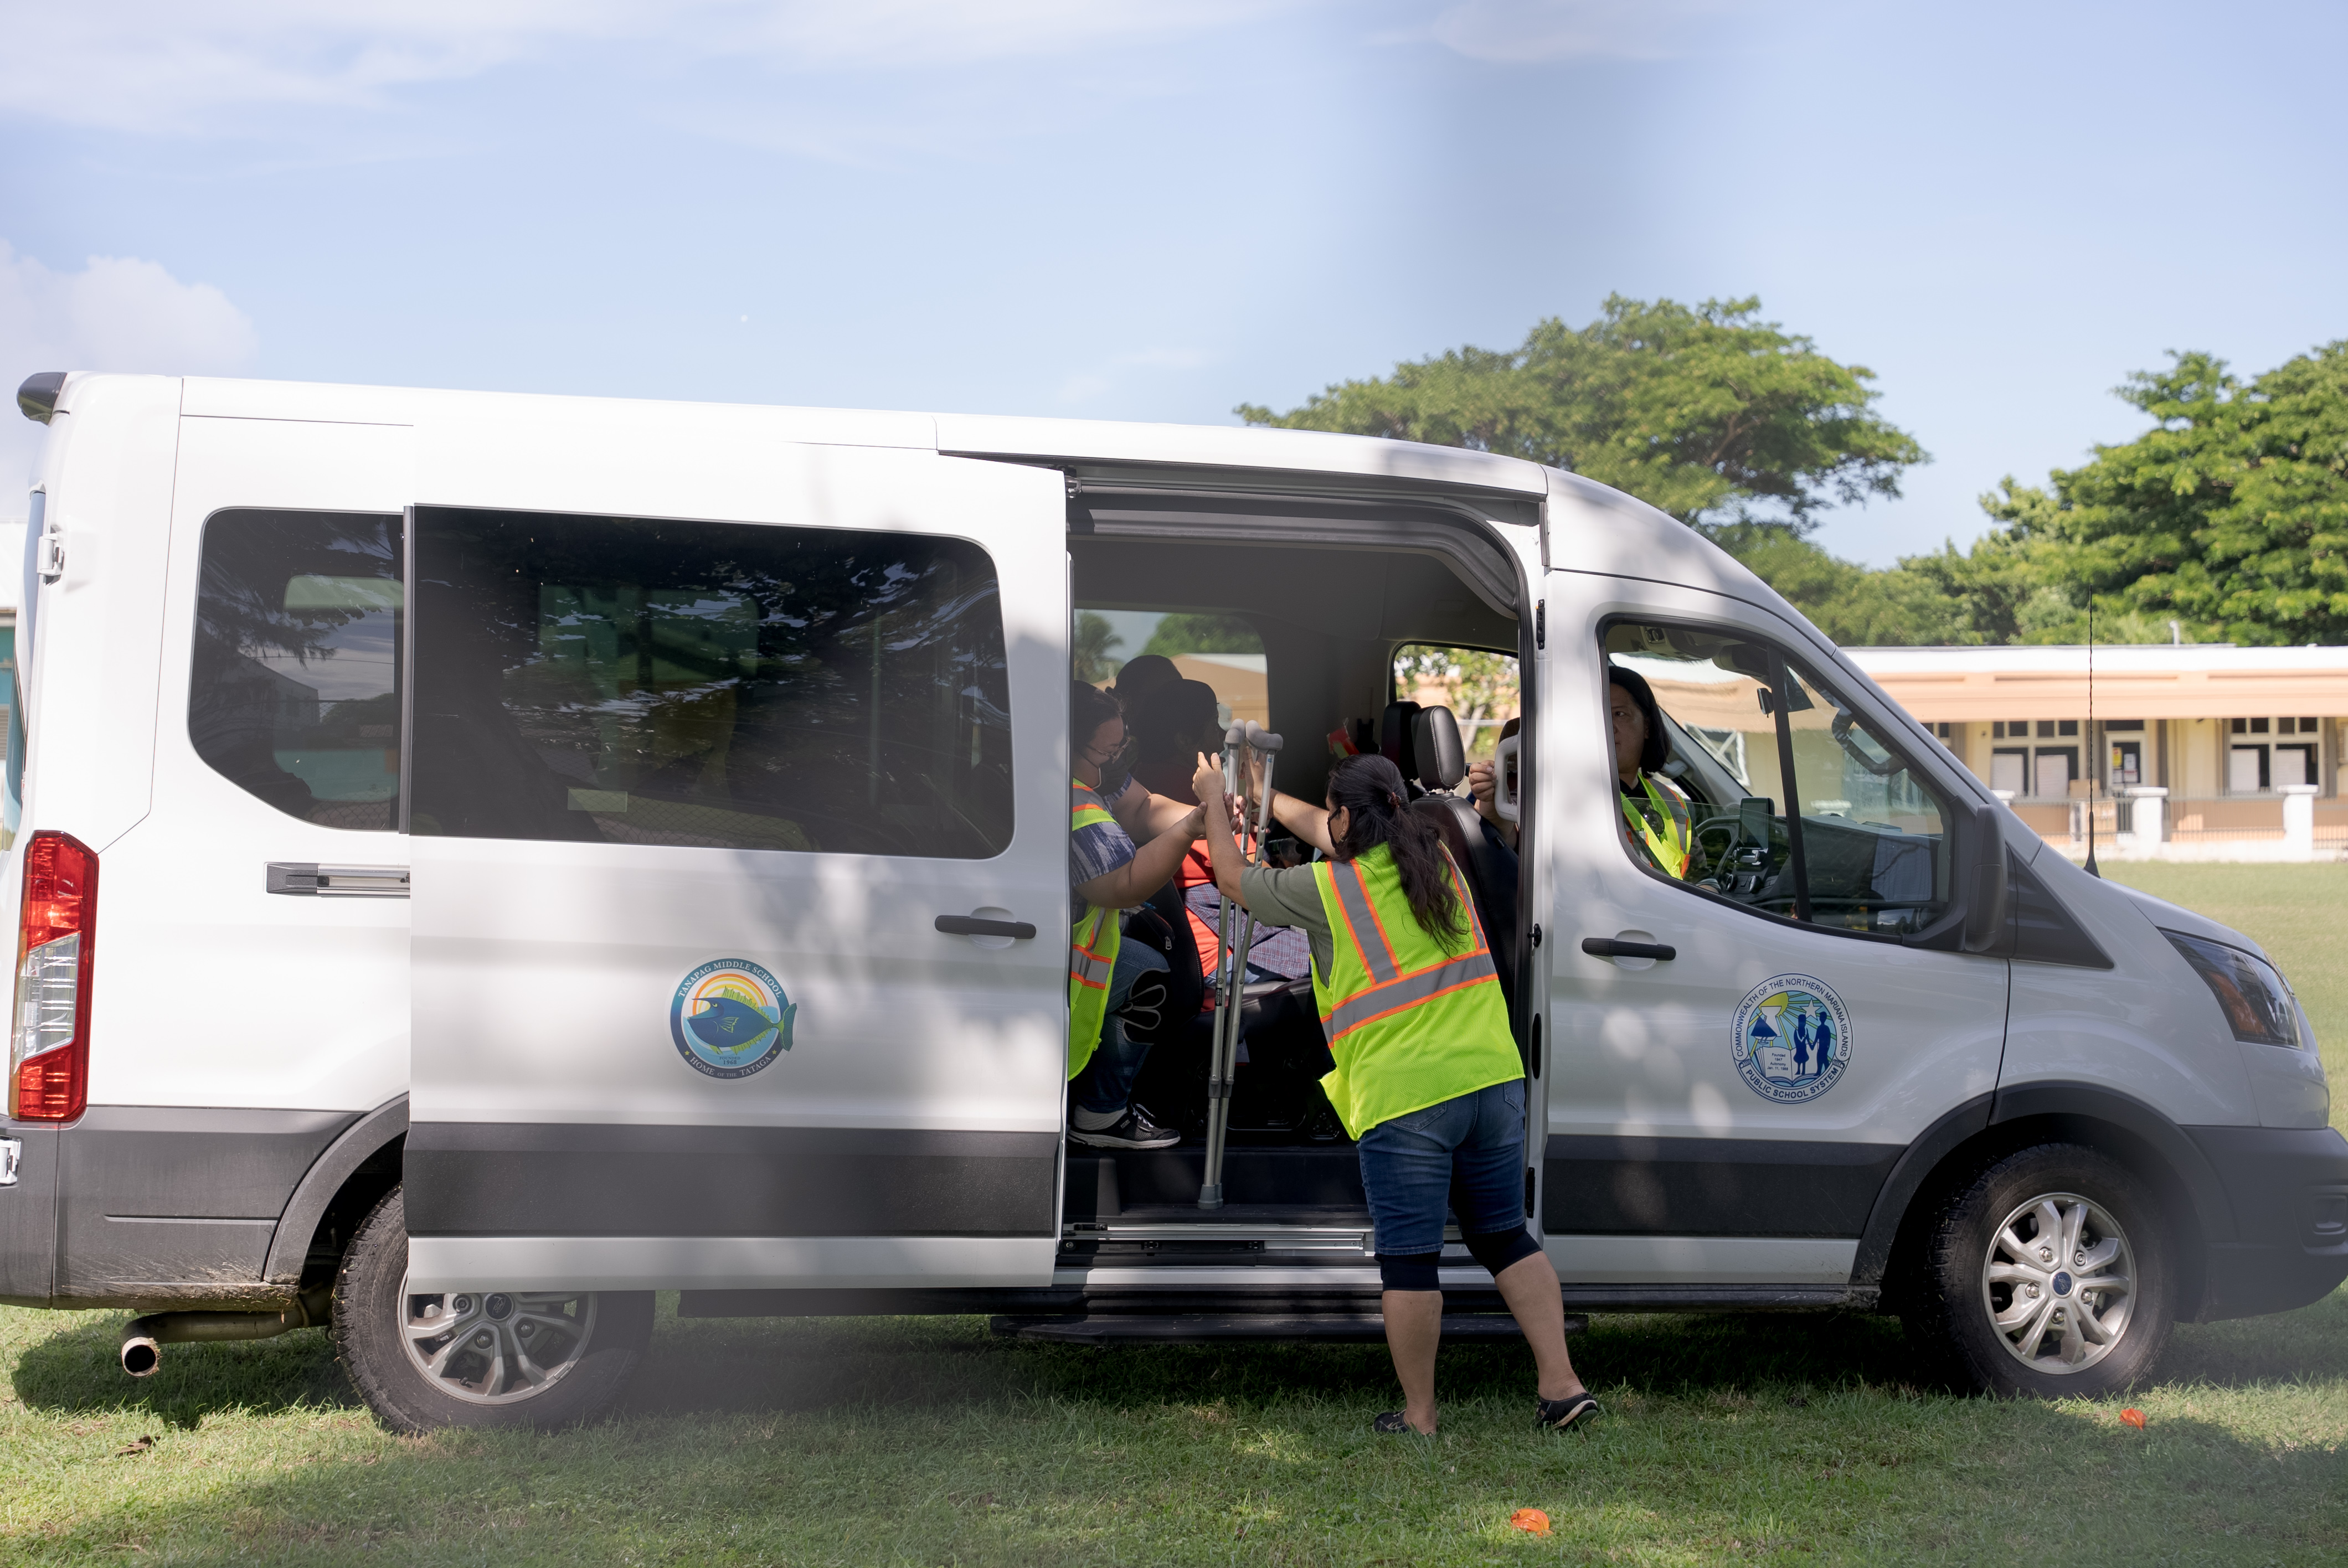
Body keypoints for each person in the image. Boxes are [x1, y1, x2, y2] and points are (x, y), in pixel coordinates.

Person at [1191, 750, 1597, 1435]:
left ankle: (1420, 1415)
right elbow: (1342, 831)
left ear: (1349, 816)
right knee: (1504, 1237)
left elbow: (1231, 878)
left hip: (1408, 1098)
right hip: (1492, 1081)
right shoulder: (1439, 861)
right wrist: (1268, 791)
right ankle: (1561, 1385)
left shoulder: (1325, 890)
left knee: (1409, 1261)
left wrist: (1211, 798)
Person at [1069, 681, 1207, 1149]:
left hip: (1065, 945)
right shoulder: (1072, 803)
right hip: (1063, 957)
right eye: (1108, 754)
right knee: (1150, 975)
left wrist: (1209, 813)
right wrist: (1191, 828)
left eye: (1122, 748)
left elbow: (1143, 806)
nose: (1117, 765)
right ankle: (1099, 1116)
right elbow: (1123, 885)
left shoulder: (1093, 776)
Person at [1604, 664, 1693, 879]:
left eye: (1619, 713)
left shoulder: (1672, 803)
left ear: (1647, 727)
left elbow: (1699, 877)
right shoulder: (1570, 800)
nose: (1607, 724)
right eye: (1599, 714)